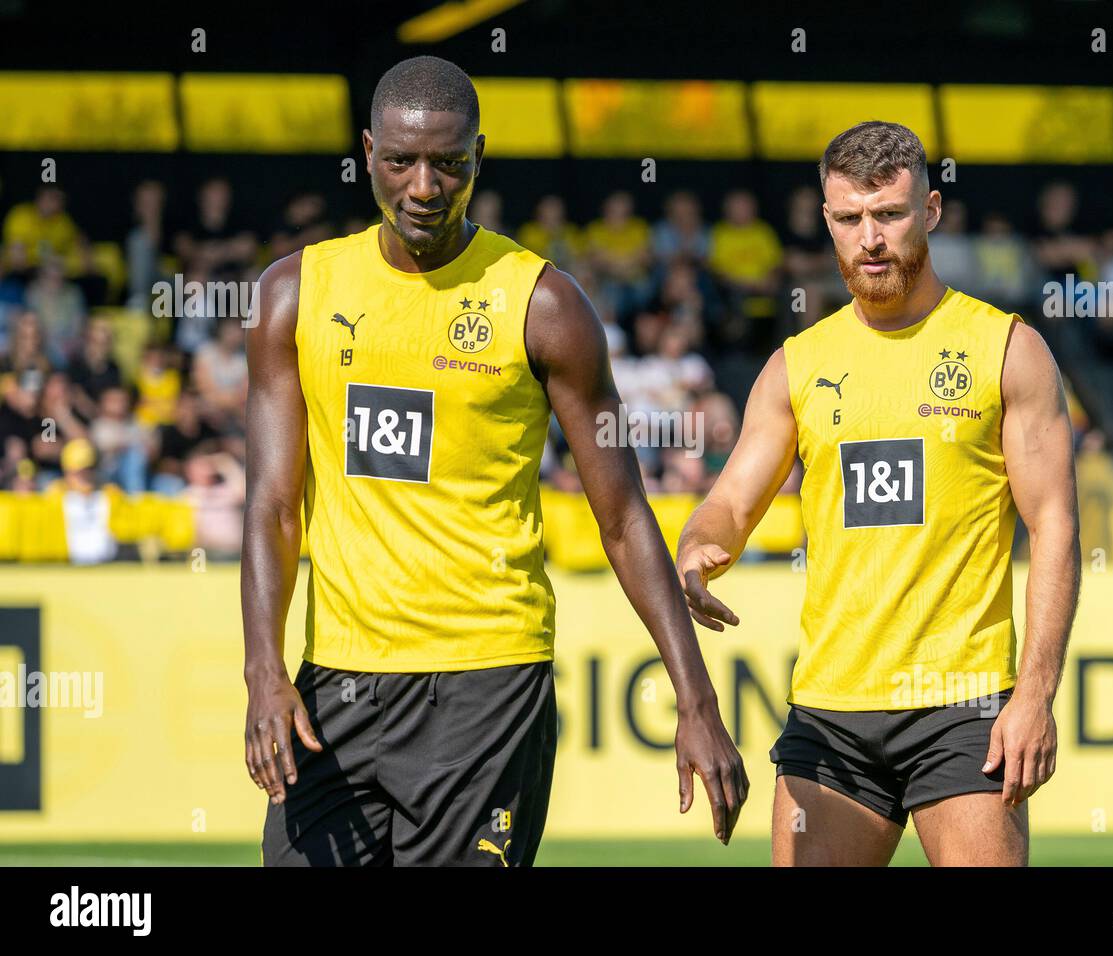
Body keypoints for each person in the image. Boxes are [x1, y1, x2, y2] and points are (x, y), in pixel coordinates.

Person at [243, 56, 745, 868]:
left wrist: (696, 698)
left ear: (482, 156)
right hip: (334, 685)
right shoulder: (293, 294)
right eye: (401, 161)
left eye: (449, 162)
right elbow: (271, 506)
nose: (424, 186)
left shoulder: (545, 305)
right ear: (367, 152)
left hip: (486, 685)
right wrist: (264, 672)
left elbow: (621, 515)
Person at [676, 121, 1080, 866]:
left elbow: (1054, 525)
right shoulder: (798, 363)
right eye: (848, 218)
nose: (869, 238)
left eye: (888, 215)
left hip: (963, 708)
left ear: (928, 210)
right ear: (826, 219)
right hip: (831, 712)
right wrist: (699, 545)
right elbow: (731, 502)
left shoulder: (1006, 349)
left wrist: (1035, 695)